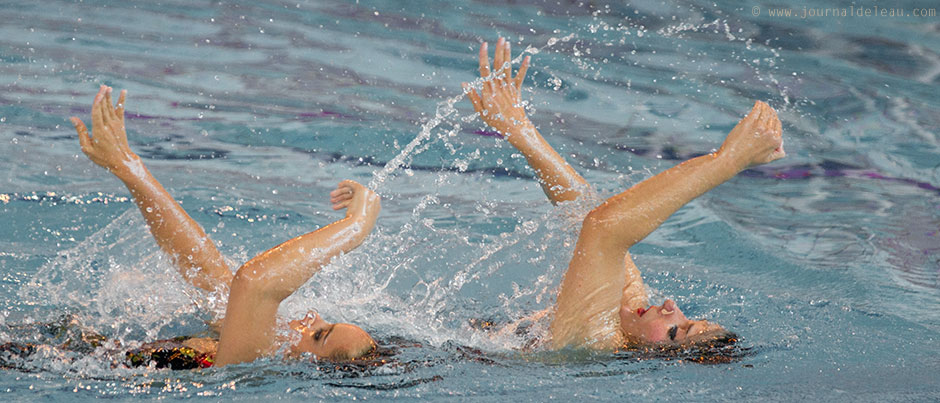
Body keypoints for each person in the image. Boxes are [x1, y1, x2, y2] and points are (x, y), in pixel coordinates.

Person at [462, 38, 785, 350]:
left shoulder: (597, 342)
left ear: (654, 356)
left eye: (676, 332)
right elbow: (585, 211)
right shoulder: (626, 314)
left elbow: (604, 228)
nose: (672, 306)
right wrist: (518, 128)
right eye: (690, 318)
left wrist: (729, 160)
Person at [68, 85, 382, 367]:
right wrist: (129, 168)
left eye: (318, 336)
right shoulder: (257, 343)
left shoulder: (251, 362)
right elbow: (205, 272)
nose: (313, 318)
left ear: (304, 364)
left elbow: (254, 280)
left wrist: (357, 226)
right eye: (326, 322)